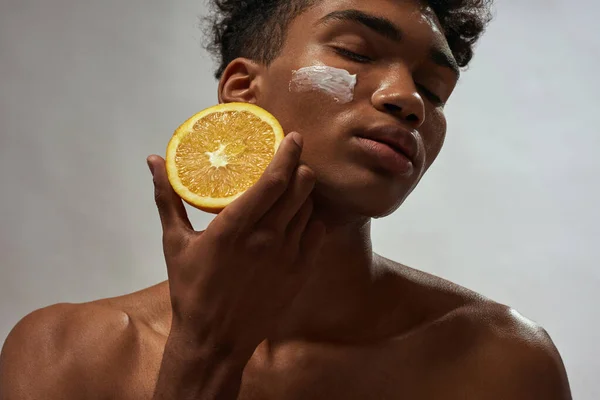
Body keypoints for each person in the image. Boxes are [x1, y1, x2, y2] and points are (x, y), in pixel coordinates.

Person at [0, 0, 572, 399]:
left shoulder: (503, 362)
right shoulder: (66, 353)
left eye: (434, 88)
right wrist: (205, 352)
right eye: (356, 51)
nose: (408, 100)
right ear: (243, 90)